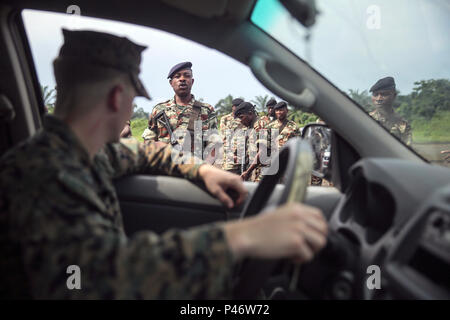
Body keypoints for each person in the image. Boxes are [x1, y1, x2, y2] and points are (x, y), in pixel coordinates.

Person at [0, 29, 328, 299]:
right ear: (117, 96)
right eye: (133, 95)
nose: (133, 107)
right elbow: (109, 279)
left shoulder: (85, 153)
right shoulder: (47, 175)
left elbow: (150, 152)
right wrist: (243, 237)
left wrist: (202, 169)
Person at [142, 61, 220, 162]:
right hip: (165, 170)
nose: (182, 79)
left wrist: (203, 171)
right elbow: (149, 141)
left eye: (186, 76)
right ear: (171, 83)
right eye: (177, 76)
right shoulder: (159, 110)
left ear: (192, 81)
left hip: (195, 171)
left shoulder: (206, 110)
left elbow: (213, 146)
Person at [369, 77, 412, 145]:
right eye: (375, 95)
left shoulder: (402, 124)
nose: (379, 98)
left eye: (384, 94)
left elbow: (407, 148)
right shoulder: (366, 119)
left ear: (394, 96)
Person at [233, 102, 269, 182]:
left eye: (241, 117)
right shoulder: (251, 127)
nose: (241, 121)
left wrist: (248, 171)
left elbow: (262, 151)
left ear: (250, 113)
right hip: (258, 169)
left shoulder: (260, 124)